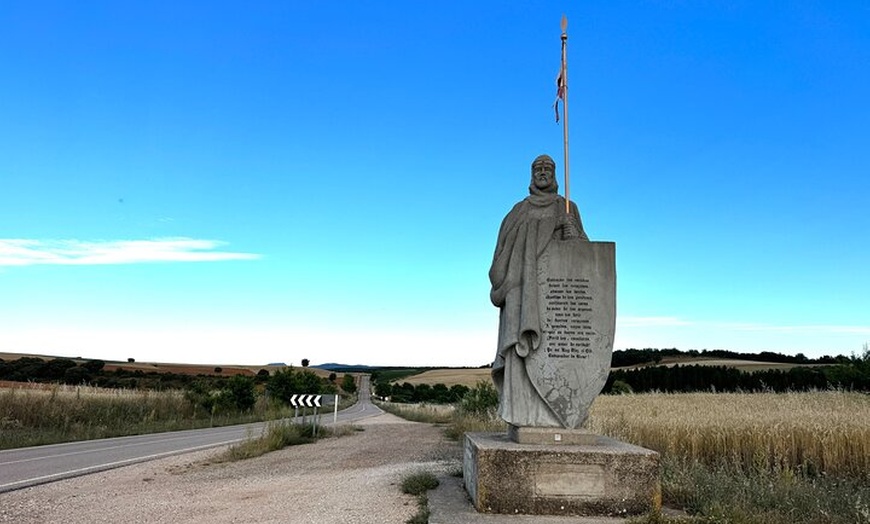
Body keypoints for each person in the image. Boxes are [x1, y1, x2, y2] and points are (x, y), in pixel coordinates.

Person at [489, 154, 588, 427]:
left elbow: (586, 258)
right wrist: (550, 226)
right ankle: (523, 413)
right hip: (518, 293)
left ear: (555, 173)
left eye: (547, 168)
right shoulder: (519, 210)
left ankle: (557, 417)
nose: (542, 172)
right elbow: (503, 252)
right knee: (522, 356)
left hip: (556, 299)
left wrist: (572, 233)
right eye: (537, 168)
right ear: (530, 173)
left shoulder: (567, 208)